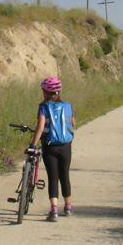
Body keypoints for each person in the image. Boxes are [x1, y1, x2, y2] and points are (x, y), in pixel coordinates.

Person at [28, 77, 76, 222]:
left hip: (50, 147)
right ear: (58, 91)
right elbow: (73, 124)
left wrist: (33, 144)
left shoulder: (43, 107)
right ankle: (68, 207)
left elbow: (41, 126)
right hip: (65, 146)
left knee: (53, 177)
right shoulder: (68, 106)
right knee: (64, 175)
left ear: (46, 92)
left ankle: (54, 210)